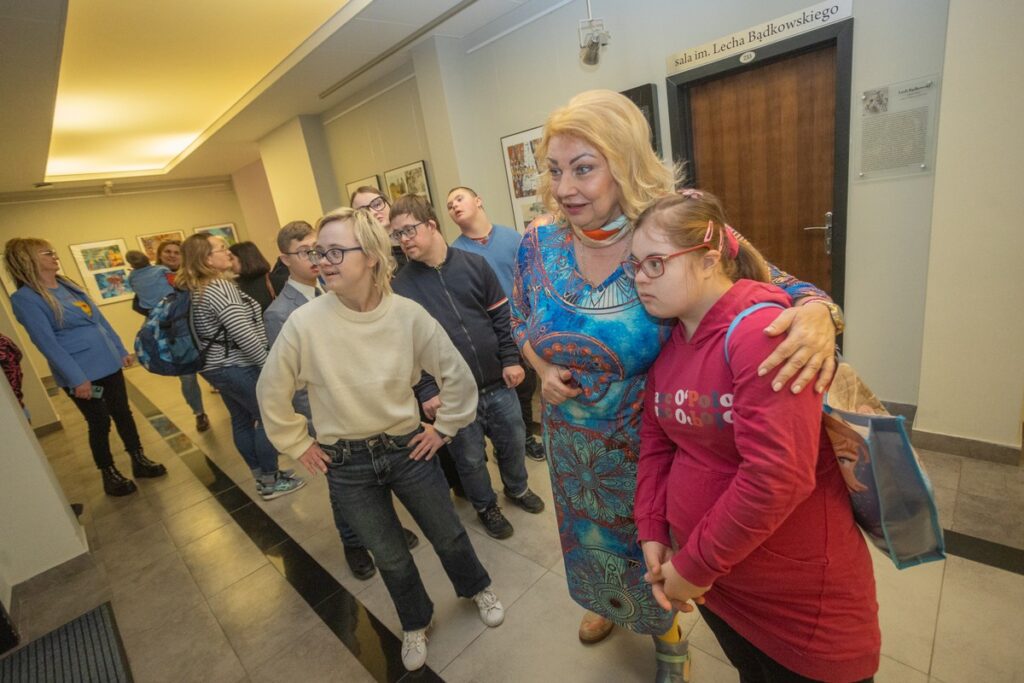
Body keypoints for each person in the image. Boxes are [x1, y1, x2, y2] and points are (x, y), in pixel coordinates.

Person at [510, 90, 840, 681]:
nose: (565, 189)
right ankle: (606, 605)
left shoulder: (667, 229)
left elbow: (789, 286)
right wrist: (539, 370)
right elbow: (517, 316)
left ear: (627, 162)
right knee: (590, 548)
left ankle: (668, 639)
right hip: (571, 447)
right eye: (555, 170)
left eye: (584, 169)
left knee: (655, 554)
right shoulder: (538, 243)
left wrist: (820, 314)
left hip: (651, 446)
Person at [632, 191, 880, 682]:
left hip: (795, 599)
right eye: (635, 265)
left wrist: (693, 567)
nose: (640, 278)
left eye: (656, 263)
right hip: (723, 585)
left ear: (707, 261)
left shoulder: (762, 334)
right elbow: (657, 443)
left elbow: (778, 478)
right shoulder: (672, 345)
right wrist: (653, 529)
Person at [256, 206, 504, 671]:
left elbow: (456, 376)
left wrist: (445, 427)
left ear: (370, 255)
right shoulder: (304, 324)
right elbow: (270, 392)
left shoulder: (408, 315)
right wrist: (298, 443)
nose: (322, 262)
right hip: (345, 464)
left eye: (334, 251)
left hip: (407, 449)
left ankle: (476, 588)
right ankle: (415, 621)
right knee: (389, 554)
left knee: (448, 534)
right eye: (316, 253)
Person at [263, 219, 419, 579]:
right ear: (286, 260)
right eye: (307, 252)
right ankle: (353, 543)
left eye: (322, 249)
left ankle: (385, 531)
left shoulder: (335, 292)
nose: (318, 259)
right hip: (325, 420)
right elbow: (289, 383)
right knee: (343, 489)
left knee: (377, 479)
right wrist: (307, 437)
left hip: (360, 411)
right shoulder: (281, 314)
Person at [390, 194, 545, 540]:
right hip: (453, 396)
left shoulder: (474, 265)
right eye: (397, 234)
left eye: (409, 230)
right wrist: (426, 390)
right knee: (471, 459)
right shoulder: (401, 288)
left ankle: (517, 489)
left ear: (431, 226)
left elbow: (501, 318)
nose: (404, 240)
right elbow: (408, 350)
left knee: (513, 442)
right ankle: (485, 506)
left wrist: (510, 359)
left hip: (497, 382)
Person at [4, 238, 167, 496]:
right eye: (47, 253)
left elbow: (99, 321)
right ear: (27, 260)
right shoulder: (26, 299)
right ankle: (109, 473)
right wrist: (77, 379)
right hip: (81, 373)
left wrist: (120, 349)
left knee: (123, 412)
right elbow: (47, 344)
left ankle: (139, 459)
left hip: (107, 362)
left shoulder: (68, 285)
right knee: (99, 421)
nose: (55, 256)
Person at [176, 233, 304, 500]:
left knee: (243, 420)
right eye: (222, 249)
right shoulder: (218, 288)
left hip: (216, 368)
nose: (229, 254)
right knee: (269, 418)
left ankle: (262, 477)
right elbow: (243, 334)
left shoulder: (198, 288)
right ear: (207, 259)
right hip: (236, 366)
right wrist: (271, 369)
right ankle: (270, 480)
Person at [446, 186, 545, 461]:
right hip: (492, 334)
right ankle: (514, 443)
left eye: (459, 198)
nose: (454, 205)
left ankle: (526, 438)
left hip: (524, 325)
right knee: (506, 391)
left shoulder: (512, 237)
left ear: (478, 201)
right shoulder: (455, 253)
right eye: (449, 204)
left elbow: (531, 277)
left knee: (526, 387)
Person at [154, 239, 210, 431]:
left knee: (211, 370)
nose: (171, 255)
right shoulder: (154, 278)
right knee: (187, 378)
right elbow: (141, 305)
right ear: (160, 255)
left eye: (176, 252)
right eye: (167, 252)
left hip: (201, 333)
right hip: (176, 337)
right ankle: (199, 413)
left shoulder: (195, 275)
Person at [350, 186, 408, 269]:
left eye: (377, 204)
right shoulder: (367, 256)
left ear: (388, 202)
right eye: (364, 211)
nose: (373, 212)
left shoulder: (411, 235)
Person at [229, 241, 276, 313]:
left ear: (243, 258)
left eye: (231, 259)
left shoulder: (273, 279)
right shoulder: (233, 285)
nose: (229, 263)